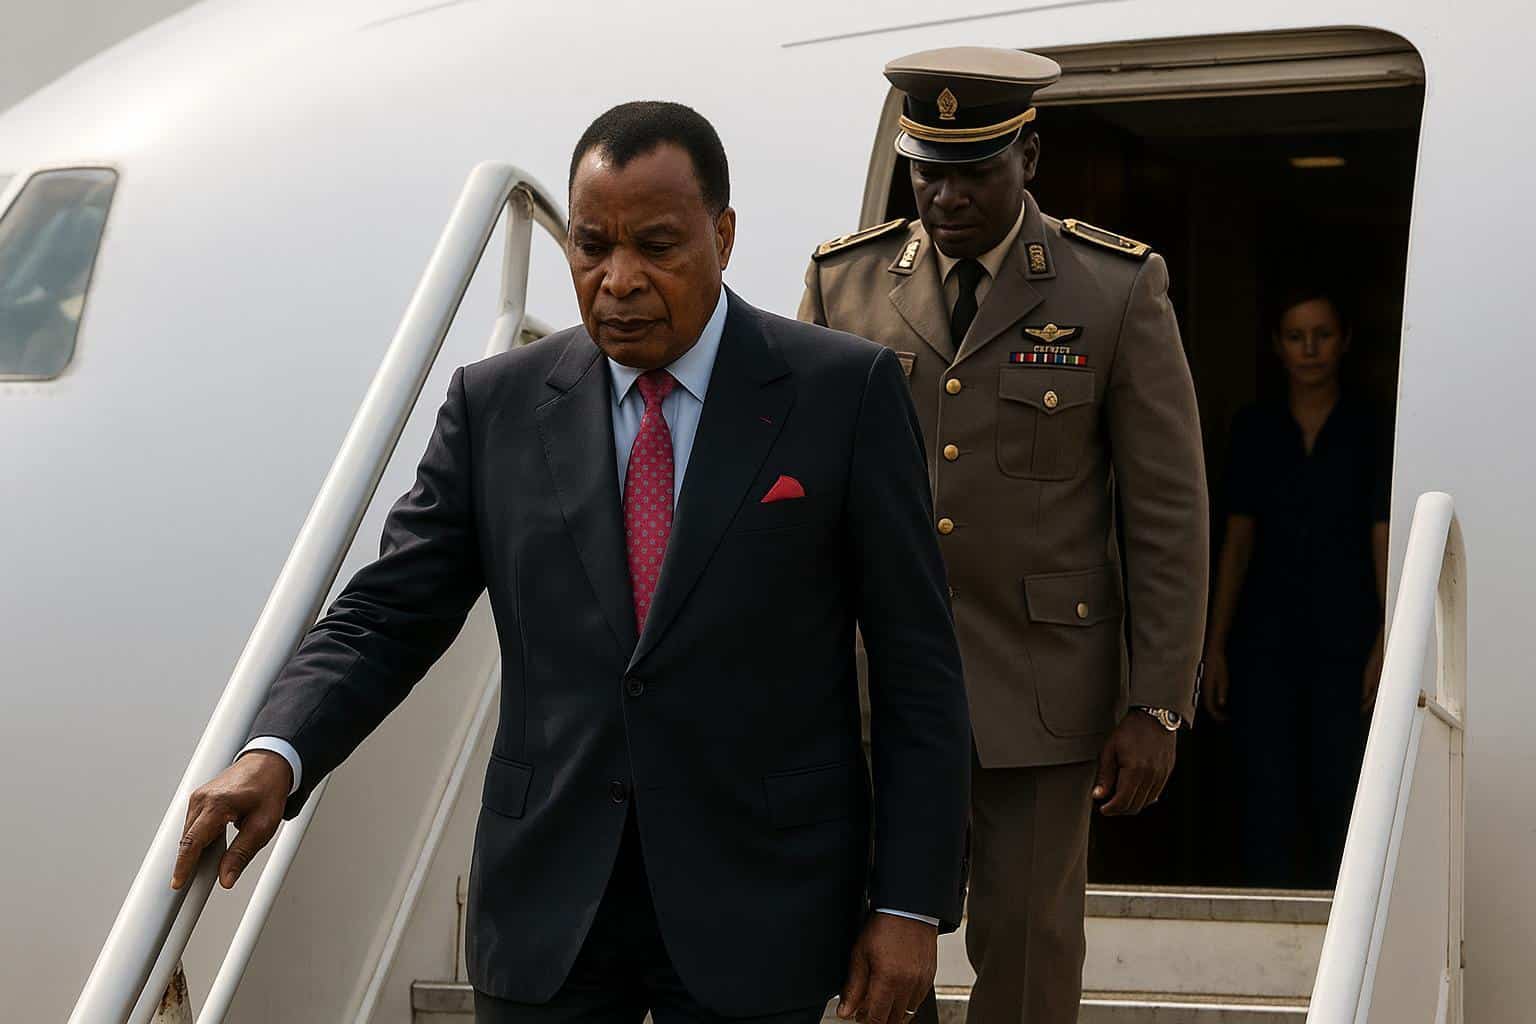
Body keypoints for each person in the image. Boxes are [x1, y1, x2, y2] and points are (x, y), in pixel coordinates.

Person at [172, 101, 971, 1024]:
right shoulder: (495, 405)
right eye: (591, 247)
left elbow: (917, 665)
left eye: (657, 247)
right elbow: (388, 613)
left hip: (762, 902)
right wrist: (277, 750)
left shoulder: (843, 392)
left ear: (723, 236)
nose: (617, 281)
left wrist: (908, 903)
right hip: (549, 902)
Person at [799, 47, 1209, 1024]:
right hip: (875, 681)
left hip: (1039, 680)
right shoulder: (844, 285)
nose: (945, 195)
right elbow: (797, 498)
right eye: (927, 170)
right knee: (867, 950)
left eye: (973, 170)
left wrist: (1157, 704)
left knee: (1029, 949)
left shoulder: (1113, 287)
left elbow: (1166, 511)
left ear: (1028, 155)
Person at [1202, 286, 1389, 889]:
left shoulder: (1371, 427)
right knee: (1268, 781)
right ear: (1277, 346)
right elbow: (1238, 539)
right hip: (1266, 634)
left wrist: (1387, 635)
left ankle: (1344, 915)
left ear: (1345, 341)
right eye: (1295, 336)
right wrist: (1215, 644)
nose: (1310, 349)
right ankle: (1267, 908)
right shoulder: (1256, 427)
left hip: (1348, 634)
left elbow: (1383, 533)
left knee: (1345, 777)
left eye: (1322, 335)